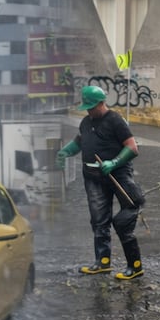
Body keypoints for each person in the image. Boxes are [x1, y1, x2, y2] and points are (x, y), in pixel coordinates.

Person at [56, 85, 145, 280]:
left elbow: (132, 147)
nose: (89, 110)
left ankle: (135, 265)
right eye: (86, 107)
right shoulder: (86, 122)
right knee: (98, 219)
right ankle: (103, 262)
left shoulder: (115, 120)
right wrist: (66, 151)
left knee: (124, 219)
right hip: (92, 176)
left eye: (91, 107)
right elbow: (79, 142)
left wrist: (114, 162)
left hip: (117, 174)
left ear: (101, 103)